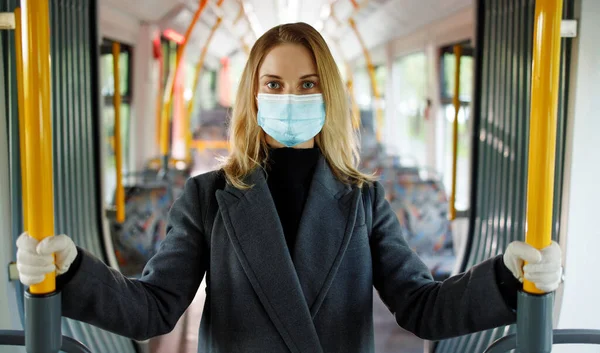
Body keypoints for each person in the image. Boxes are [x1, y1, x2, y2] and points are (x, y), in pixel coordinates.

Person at [16, 22, 562, 353]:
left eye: (307, 85)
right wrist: (73, 272)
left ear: (328, 96)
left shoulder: (364, 201)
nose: (291, 98)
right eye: (274, 85)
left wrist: (505, 279)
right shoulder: (208, 197)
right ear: (254, 96)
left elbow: (421, 307)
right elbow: (154, 309)